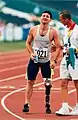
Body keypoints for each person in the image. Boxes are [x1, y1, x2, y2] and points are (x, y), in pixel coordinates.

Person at [22, 10, 61, 114]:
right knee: (30, 81)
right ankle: (26, 104)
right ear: (40, 18)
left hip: (46, 62)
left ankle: (47, 104)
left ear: (50, 20)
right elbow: (28, 43)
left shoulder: (53, 31)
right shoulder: (33, 29)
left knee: (47, 83)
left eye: (47, 16)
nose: (44, 17)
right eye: (43, 16)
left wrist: (54, 61)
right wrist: (31, 53)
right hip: (34, 60)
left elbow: (59, 47)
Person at [55, 10, 78, 115]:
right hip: (65, 58)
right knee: (63, 82)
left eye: (61, 20)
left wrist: (74, 50)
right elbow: (65, 44)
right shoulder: (65, 30)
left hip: (75, 59)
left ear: (67, 19)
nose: (61, 22)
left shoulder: (77, 30)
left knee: (77, 83)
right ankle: (65, 107)